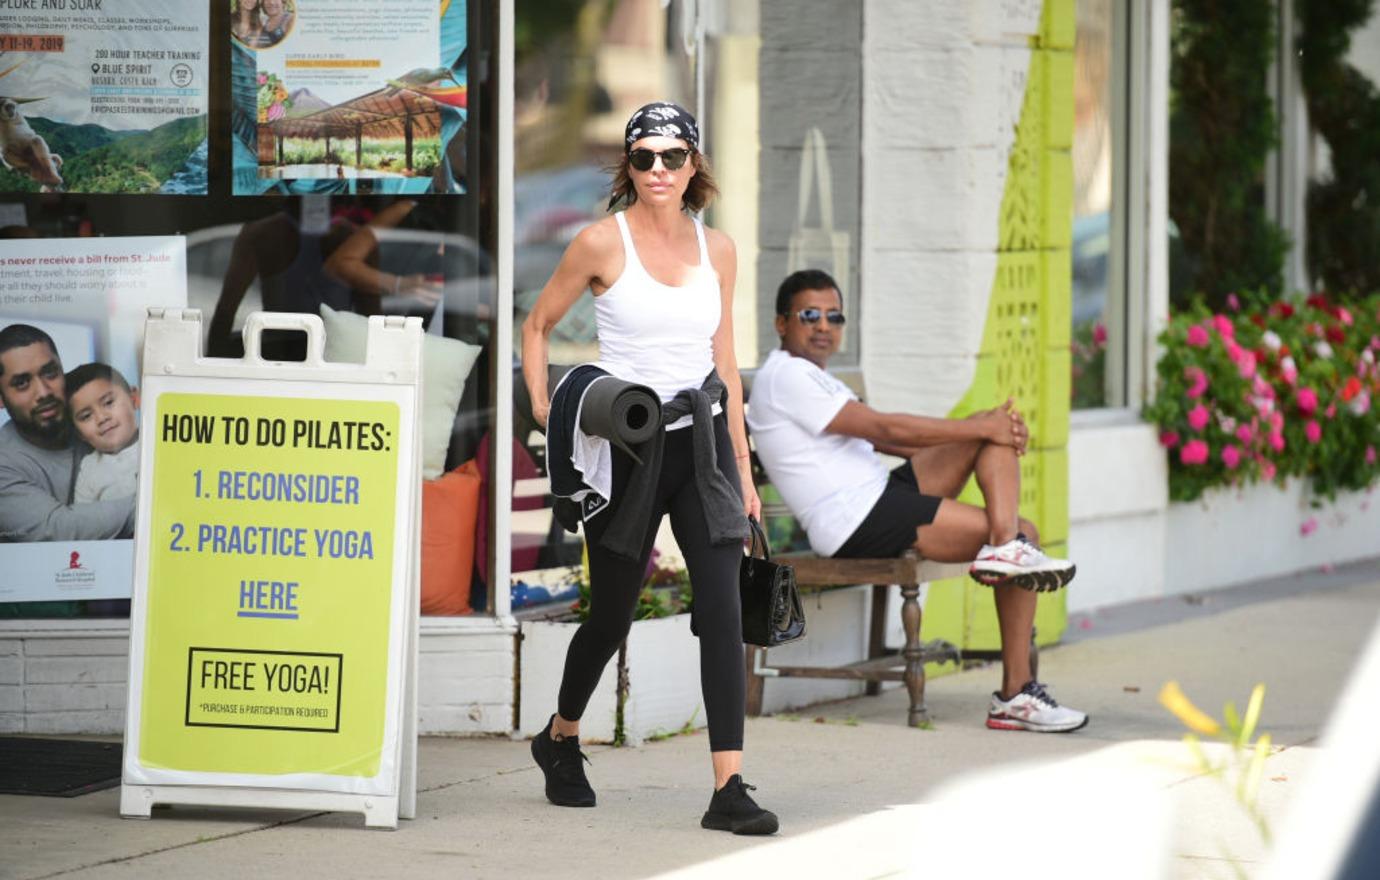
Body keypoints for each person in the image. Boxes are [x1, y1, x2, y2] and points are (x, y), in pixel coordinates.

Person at [520, 102, 776, 834]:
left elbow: (723, 362)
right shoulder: (601, 243)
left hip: (700, 447)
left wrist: (745, 473)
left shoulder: (718, 249)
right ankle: (561, 737)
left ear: (695, 164)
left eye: (672, 156)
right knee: (612, 615)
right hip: (626, 449)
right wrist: (546, 409)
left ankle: (728, 788)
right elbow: (536, 326)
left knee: (723, 610)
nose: (658, 170)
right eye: (644, 158)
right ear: (627, 166)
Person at [747, 270, 1087, 733]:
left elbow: (898, 446)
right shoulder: (786, 375)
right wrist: (978, 429)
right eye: (810, 315)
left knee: (993, 427)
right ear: (782, 323)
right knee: (1022, 526)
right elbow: (884, 430)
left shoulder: (816, 379)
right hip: (853, 519)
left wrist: (988, 429)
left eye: (834, 316)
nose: (823, 325)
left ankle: (1006, 550)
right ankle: (1015, 691)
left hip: (880, 497)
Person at [0, 324, 134, 542]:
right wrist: (154, 502)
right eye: (22, 383)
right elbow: (56, 529)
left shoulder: (93, 417)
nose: (43, 392)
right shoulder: (4, 463)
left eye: (50, 373)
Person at [66, 363, 139, 503]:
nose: (102, 418)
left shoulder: (158, 442)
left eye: (108, 402)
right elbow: (85, 520)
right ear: (79, 434)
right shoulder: (89, 471)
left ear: (134, 399)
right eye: (86, 416)